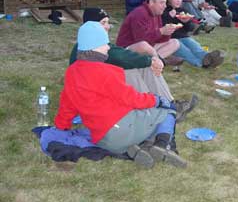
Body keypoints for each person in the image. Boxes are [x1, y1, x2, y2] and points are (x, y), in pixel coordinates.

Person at [55, 21, 187, 168]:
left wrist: (61, 128)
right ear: (96, 47)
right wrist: (157, 100)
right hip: (121, 128)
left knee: (139, 122)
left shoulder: (71, 72)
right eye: (105, 44)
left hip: (102, 139)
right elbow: (132, 99)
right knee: (167, 113)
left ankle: (135, 149)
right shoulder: (107, 72)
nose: (107, 47)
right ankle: (164, 146)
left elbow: (67, 106)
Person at [69, 8, 197, 122]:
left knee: (141, 66)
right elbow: (119, 56)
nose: (108, 27)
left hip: (101, 86)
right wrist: (151, 61)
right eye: (103, 23)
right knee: (130, 71)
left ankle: (170, 105)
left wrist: (150, 61)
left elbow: (119, 53)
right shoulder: (89, 45)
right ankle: (155, 110)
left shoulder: (93, 39)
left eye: (108, 22)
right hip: (93, 97)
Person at [116, 0, 183, 66]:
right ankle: (159, 61)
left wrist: (167, 33)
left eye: (165, 3)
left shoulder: (157, 14)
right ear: (151, 2)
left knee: (175, 42)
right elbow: (141, 39)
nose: (165, 6)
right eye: (161, 3)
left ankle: (154, 62)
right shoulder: (140, 13)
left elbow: (158, 39)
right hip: (127, 49)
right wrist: (161, 31)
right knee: (144, 45)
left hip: (148, 46)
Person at [162, 0, 224, 68]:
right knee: (186, 52)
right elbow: (162, 26)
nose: (178, 1)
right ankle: (201, 64)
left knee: (195, 46)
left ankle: (209, 58)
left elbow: (189, 29)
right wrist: (169, 16)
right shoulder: (164, 11)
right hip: (171, 39)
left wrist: (186, 21)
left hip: (183, 36)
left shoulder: (183, 11)